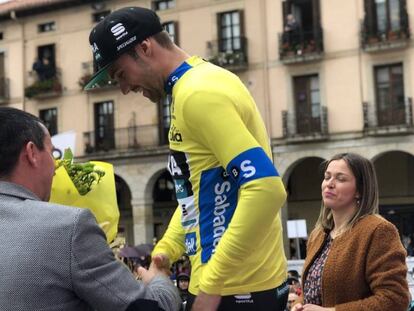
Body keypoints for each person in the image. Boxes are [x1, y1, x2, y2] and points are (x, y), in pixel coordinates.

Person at [84, 6, 288, 311]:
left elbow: (266, 189)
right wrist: (167, 249)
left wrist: (212, 285)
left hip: (235, 290)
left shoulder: (197, 94)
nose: (124, 88)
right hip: (239, 286)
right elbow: (199, 192)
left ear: (145, 47)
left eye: (122, 74)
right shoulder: (199, 83)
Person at [0, 107, 181, 311]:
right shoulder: (67, 228)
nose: (57, 166)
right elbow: (153, 307)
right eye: (52, 153)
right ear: (32, 153)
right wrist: (159, 280)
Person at [292, 153, 410, 311]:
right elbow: (313, 288)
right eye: (327, 177)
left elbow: (395, 299)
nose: (330, 184)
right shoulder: (318, 235)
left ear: (359, 191)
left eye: (340, 179)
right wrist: (298, 304)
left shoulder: (378, 231)